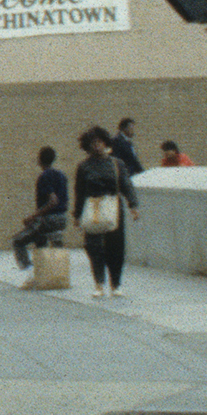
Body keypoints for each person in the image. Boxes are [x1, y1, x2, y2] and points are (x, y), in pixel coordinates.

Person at [72, 127, 140, 299]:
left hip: (113, 207)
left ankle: (116, 284)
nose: (97, 146)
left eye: (100, 142)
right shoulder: (84, 166)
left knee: (116, 246)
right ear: (88, 146)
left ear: (106, 143)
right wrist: (77, 215)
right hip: (92, 206)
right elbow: (79, 192)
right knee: (93, 246)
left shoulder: (117, 164)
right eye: (93, 143)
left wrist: (133, 205)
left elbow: (126, 185)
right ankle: (99, 283)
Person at [10, 146, 72, 276]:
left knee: (17, 241)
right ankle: (44, 272)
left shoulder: (44, 176)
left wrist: (32, 216)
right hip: (62, 218)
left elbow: (53, 201)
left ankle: (29, 272)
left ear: (39, 160)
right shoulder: (62, 175)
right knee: (39, 239)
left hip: (49, 220)